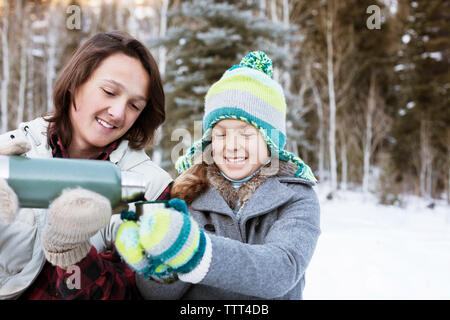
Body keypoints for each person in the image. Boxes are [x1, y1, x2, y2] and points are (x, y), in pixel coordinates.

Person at [115, 51, 321, 299]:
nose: (231, 145)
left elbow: (281, 270)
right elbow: (157, 296)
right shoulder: (187, 192)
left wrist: (195, 251)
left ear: (270, 141)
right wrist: (160, 268)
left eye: (246, 134)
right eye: (221, 134)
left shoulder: (296, 197)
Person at [0, 31, 173, 300]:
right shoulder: (10, 155)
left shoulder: (148, 188)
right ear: (75, 82)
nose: (118, 113)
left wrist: (75, 254)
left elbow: (133, 294)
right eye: (109, 91)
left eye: (134, 105)